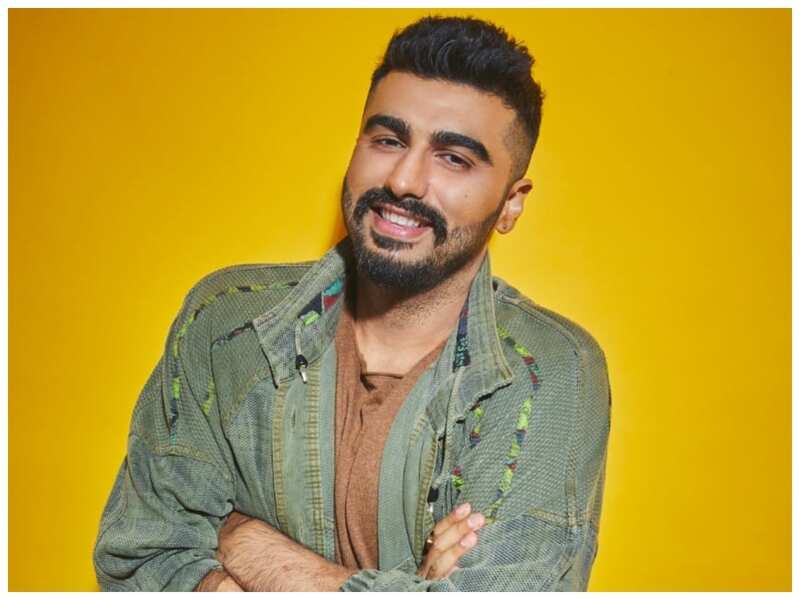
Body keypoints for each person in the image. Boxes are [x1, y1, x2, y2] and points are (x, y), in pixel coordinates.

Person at [93, 15, 611, 592]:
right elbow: (141, 557)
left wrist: (241, 539)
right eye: (388, 140)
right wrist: (413, 584)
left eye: (453, 158)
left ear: (511, 205)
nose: (404, 181)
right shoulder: (226, 326)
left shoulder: (546, 372)